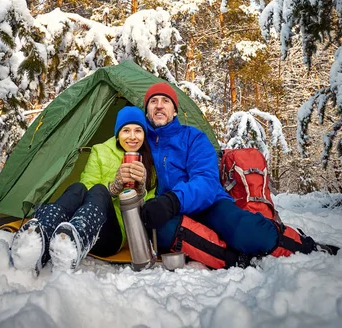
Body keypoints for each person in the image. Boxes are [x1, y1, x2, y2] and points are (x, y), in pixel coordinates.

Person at [140, 83, 338, 264]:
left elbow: (206, 181)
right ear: (147, 111)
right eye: (153, 102)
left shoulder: (193, 138)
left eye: (165, 101)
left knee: (246, 232)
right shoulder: (139, 142)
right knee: (162, 231)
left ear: (174, 111)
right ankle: (234, 259)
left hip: (207, 204)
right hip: (171, 213)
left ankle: (305, 246)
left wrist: (173, 200)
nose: (159, 106)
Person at [11, 106, 156, 273]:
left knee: (100, 190)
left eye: (138, 130)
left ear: (144, 134)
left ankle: (75, 241)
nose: (132, 136)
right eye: (126, 130)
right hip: (84, 221)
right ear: (118, 134)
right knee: (78, 187)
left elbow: (150, 211)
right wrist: (114, 187)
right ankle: (41, 235)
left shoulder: (150, 161)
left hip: (112, 236)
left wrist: (140, 190)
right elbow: (87, 187)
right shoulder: (101, 151)